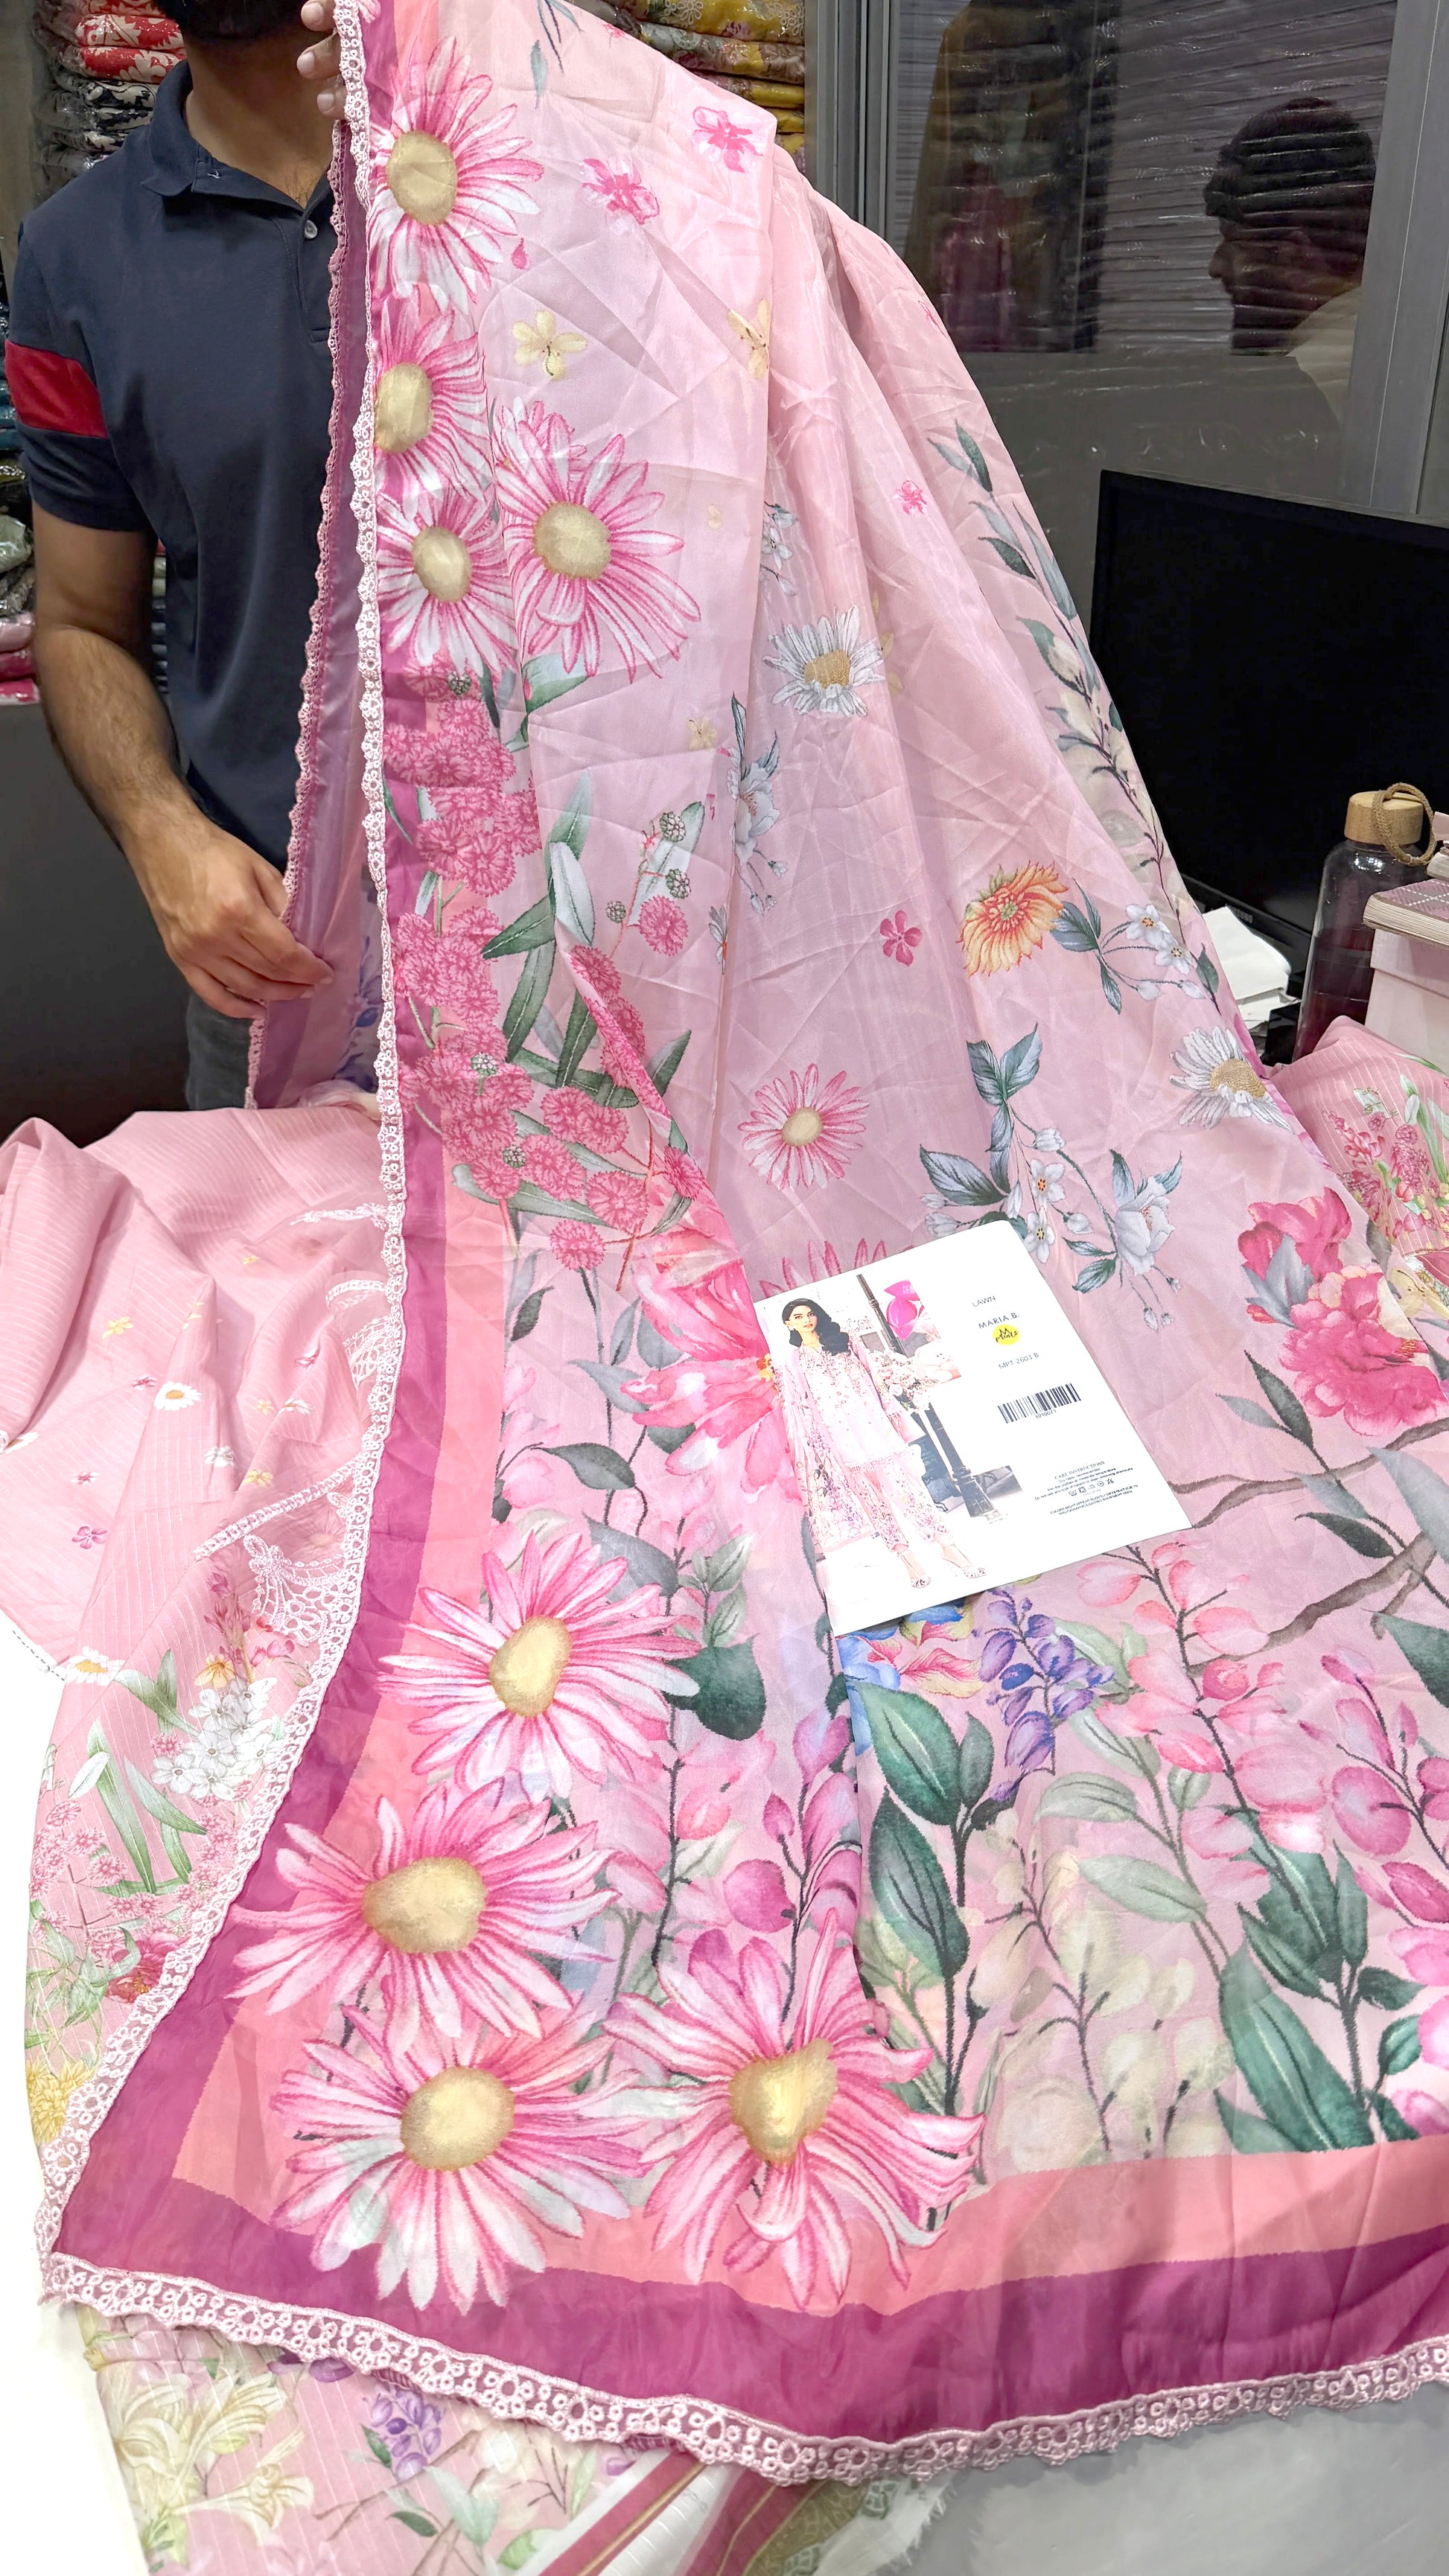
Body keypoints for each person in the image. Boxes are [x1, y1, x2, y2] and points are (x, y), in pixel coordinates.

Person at [4, 0, 350, 1109]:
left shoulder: (519, 187)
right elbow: (80, 623)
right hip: (280, 952)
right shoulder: (77, 257)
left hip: (572, 928)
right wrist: (164, 838)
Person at [776, 1296, 981, 1593]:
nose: (806, 1320)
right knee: (874, 1504)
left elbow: (877, 1382)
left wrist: (894, 1419)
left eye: (810, 1314)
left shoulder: (845, 1340)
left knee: (910, 1494)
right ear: (788, 1324)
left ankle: (948, 1548)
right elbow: (802, 1408)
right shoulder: (793, 1362)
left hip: (876, 1431)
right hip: (840, 1443)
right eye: (798, 1317)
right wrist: (819, 1451)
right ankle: (909, 1561)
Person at [1206, 95, 1376, 419]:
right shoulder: (1398, 347)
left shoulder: (1303, 384)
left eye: (1234, 242)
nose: (1215, 267)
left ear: (1295, 254)